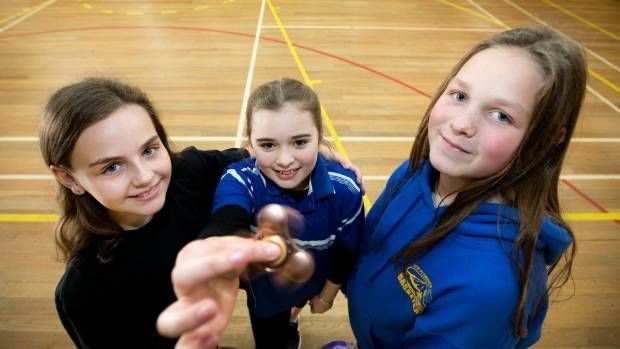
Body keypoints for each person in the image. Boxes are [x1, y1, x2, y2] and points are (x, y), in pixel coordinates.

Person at [157, 26, 587, 348]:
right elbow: (367, 241)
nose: (461, 124)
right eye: (459, 95)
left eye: (501, 115)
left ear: (546, 138)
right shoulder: (418, 172)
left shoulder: (489, 288)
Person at [39, 77, 361, 348]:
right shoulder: (83, 292)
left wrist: (310, 150)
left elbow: (249, 161)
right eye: (111, 167)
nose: (145, 176)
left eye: (149, 150)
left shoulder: (188, 174)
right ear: (68, 178)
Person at [201, 78, 365, 349]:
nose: (285, 160)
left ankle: (292, 316)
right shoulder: (240, 179)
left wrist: (326, 296)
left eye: (300, 142)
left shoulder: (345, 190)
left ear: (320, 136)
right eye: (268, 145)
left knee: (293, 304)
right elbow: (226, 220)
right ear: (250, 145)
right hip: (265, 293)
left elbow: (347, 251)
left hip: (312, 278)